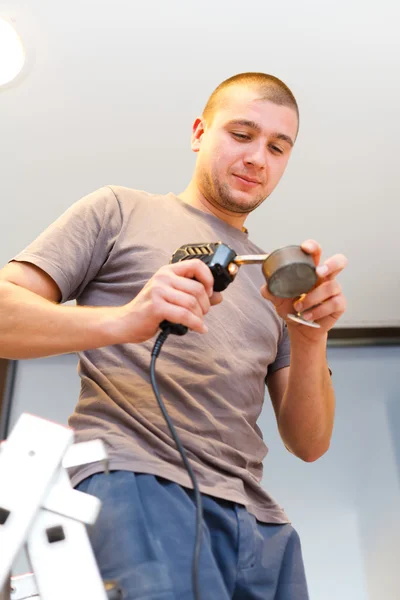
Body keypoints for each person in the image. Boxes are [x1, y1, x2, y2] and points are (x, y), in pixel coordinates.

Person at [0, 72, 347, 599]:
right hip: (137, 481)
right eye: (241, 134)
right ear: (198, 132)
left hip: (261, 525)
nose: (258, 157)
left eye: (278, 147)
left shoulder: (272, 281)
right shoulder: (119, 210)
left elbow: (310, 442)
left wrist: (309, 333)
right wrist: (126, 321)